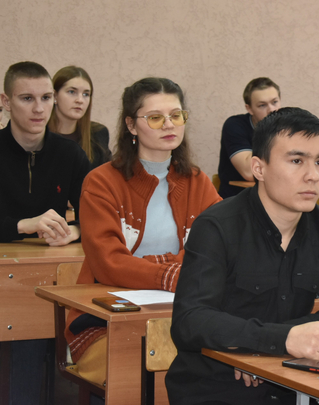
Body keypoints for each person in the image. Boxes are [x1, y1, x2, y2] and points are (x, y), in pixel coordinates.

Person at [167, 107, 319, 405]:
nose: (313, 176)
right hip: (217, 390)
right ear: (258, 168)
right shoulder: (217, 226)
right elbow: (190, 321)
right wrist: (277, 340)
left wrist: (288, 337)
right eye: (297, 161)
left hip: (296, 388)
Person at [63, 77, 221, 388]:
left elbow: (218, 251)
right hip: (105, 318)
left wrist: (153, 266)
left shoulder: (199, 183)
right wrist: (170, 273)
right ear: (131, 125)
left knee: (220, 365)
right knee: (145, 372)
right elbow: (108, 263)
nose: (169, 125)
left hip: (182, 313)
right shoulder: (101, 182)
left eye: (176, 115)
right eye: (155, 117)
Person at [0, 61, 89, 404]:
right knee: (25, 328)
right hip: (6, 270)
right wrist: (23, 226)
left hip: (44, 273)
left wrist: (74, 231)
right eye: (27, 98)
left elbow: (97, 214)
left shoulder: (69, 153)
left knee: (34, 327)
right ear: (6, 102)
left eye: (46, 97)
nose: (39, 108)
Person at [218, 77, 281, 198]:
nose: (271, 110)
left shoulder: (288, 127)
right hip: (237, 200)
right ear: (249, 109)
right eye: (262, 105)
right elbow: (249, 172)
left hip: (274, 198)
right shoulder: (235, 125)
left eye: (274, 102)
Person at [48, 66, 111, 171]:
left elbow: (106, 176)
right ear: (55, 96)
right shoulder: (38, 135)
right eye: (72, 92)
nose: (80, 100)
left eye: (86, 94)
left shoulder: (98, 134)